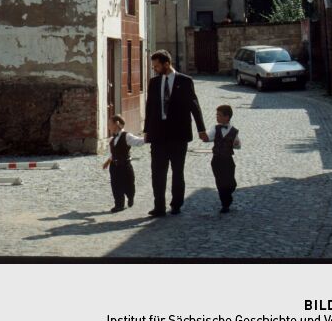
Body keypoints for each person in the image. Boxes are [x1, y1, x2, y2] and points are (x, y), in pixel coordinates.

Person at [143, 49, 207, 217]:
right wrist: (147, 130)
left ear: (166, 64)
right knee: (157, 172)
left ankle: (176, 204)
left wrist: (201, 129)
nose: (154, 69)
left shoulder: (185, 81)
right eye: (153, 66)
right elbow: (150, 107)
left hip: (178, 135)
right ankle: (159, 206)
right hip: (158, 135)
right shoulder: (154, 83)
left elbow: (194, 105)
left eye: (156, 66)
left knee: (177, 171)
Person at [102, 114, 145, 212]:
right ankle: (119, 204)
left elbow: (138, 141)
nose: (108, 127)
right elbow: (113, 153)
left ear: (116, 124)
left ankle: (130, 197)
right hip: (114, 166)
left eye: (109, 124)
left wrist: (148, 137)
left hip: (125, 165)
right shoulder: (112, 139)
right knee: (115, 185)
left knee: (129, 185)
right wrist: (108, 162)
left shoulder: (127, 136)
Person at [206, 104, 241, 213]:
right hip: (216, 160)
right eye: (217, 115)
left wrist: (236, 143)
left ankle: (228, 195)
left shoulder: (234, 131)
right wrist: (203, 136)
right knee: (220, 182)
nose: (217, 117)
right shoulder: (215, 128)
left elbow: (238, 145)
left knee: (231, 183)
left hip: (228, 160)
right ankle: (225, 204)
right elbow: (208, 137)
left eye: (219, 115)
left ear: (227, 117)